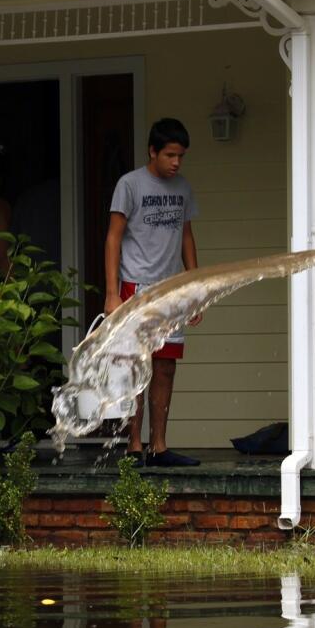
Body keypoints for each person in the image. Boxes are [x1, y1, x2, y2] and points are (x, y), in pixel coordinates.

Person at [105, 117, 202, 468]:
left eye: (181, 156)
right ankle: (134, 444)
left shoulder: (182, 188)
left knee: (165, 368)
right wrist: (112, 292)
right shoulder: (129, 185)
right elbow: (113, 237)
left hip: (171, 289)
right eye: (170, 155)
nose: (176, 162)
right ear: (153, 151)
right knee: (136, 366)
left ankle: (159, 446)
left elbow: (186, 236)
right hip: (136, 286)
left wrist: (196, 287)